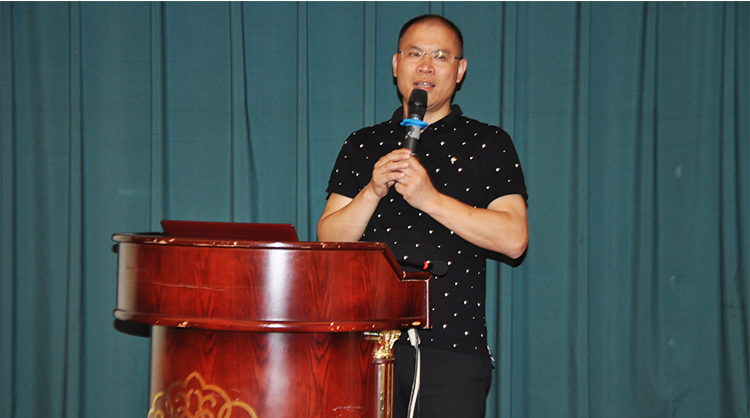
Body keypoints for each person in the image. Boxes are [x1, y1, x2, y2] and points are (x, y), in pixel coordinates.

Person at [317, 14, 528, 418]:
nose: (426, 66)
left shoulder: (488, 142)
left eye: (441, 56)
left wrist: (429, 199)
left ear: (460, 70)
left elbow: (514, 238)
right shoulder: (363, 143)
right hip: (362, 342)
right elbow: (328, 239)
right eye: (415, 54)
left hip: (450, 347)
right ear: (396, 64)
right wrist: (372, 191)